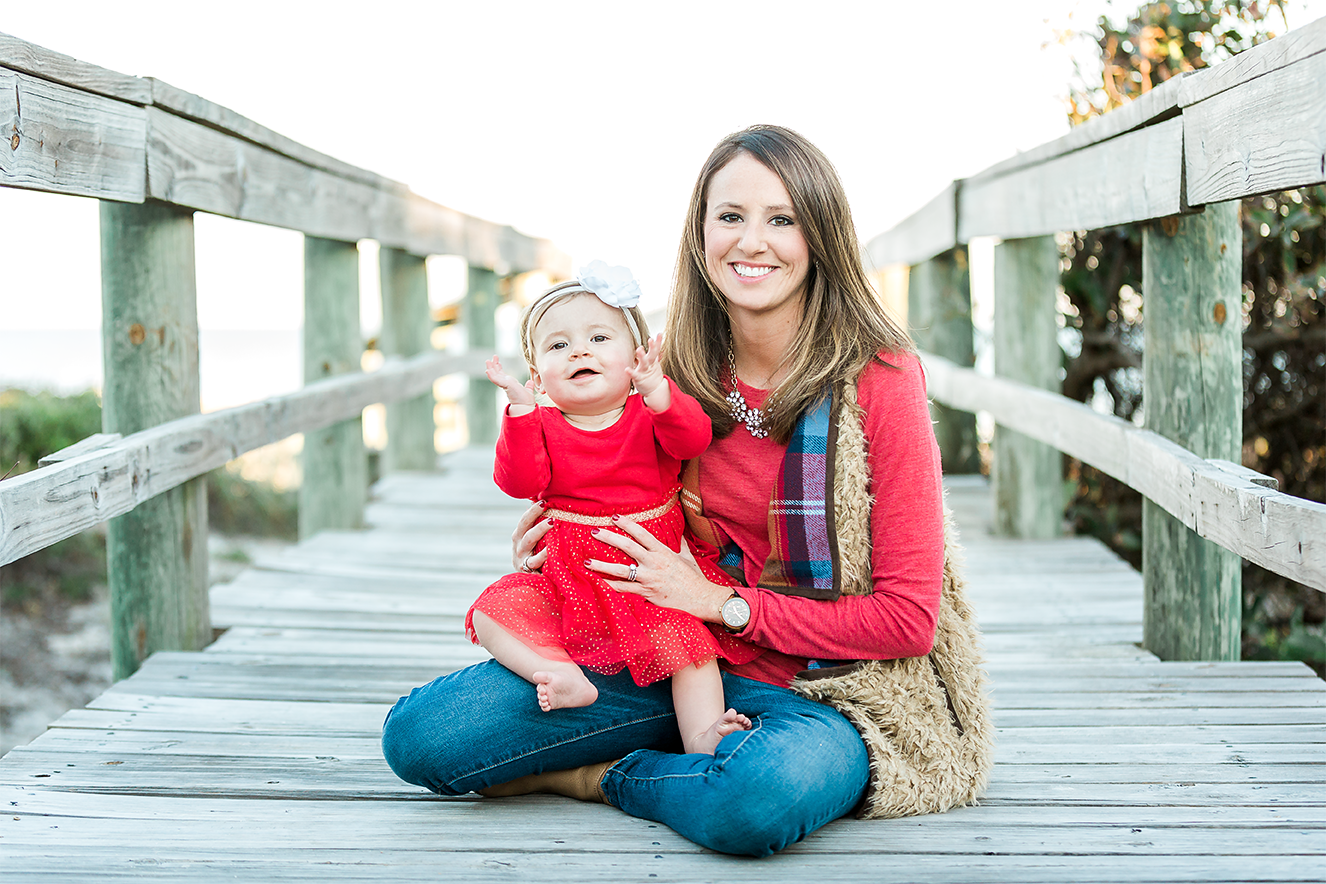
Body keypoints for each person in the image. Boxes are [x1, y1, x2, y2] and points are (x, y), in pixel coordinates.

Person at [382, 124, 949, 857]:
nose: (753, 242)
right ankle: (676, 748)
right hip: (652, 647)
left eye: (783, 219)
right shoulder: (663, 369)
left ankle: (597, 775)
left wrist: (723, 604)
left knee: (756, 798)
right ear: (701, 231)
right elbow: (575, 465)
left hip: (817, 683)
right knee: (424, 738)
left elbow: (907, 620)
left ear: (821, 236)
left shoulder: (880, 378)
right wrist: (558, 535)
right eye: (731, 217)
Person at [468, 267, 761, 755]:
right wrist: (519, 414)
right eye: (558, 346)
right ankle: (561, 675)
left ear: (635, 356)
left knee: (690, 652)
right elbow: (518, 482)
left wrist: (658, 391)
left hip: (646, 578)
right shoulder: (538, 423)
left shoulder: (650, 413)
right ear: (538, 377)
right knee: (490, 612)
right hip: (569, 578)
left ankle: (704, 736)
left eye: (599, 337)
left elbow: (693, 439)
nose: (579, 351)